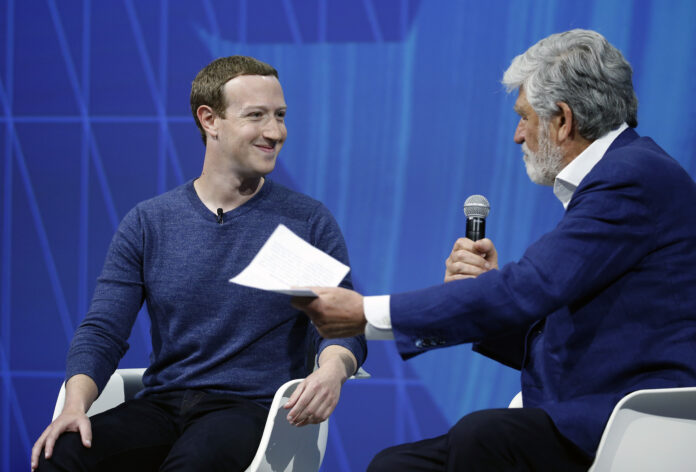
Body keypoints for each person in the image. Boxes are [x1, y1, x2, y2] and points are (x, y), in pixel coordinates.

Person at [293, 29, 696, 471]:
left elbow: (532, 285)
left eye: (524, 117)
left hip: (627, 422)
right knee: (395, 466)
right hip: (576, 413)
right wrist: (483, 295)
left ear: (563, 119)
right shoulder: (624, 174)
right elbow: (553, 334)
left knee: (482, 436)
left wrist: (367, 315)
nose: (518, 135)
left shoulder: (631, 179)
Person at [31, 55, 366, 472]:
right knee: (60, 456)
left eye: (280, 116)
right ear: (210, 120)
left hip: (250, 411)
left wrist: (332, 370)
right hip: (162, 404)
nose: (275, 132)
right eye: (256, 116)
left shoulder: (306, 221)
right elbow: (103, 329)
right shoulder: (149, 222)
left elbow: (345, 325)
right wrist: (73, 405)